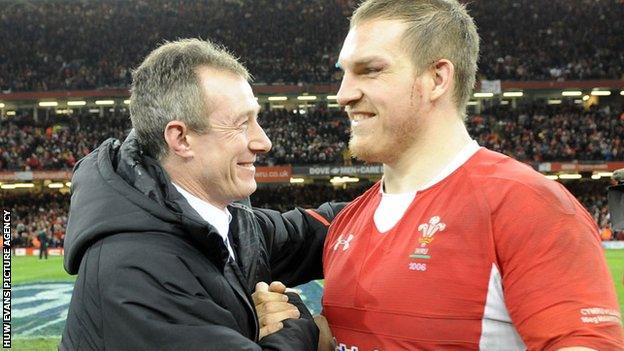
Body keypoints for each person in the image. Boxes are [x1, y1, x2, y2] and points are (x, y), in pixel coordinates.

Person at [256, 0, 624, 349]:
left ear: (437, 78)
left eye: (371, 70)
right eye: (344, 73)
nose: (343, 94)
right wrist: (309, 335)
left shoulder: (525, 205)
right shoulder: (348, 223)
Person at [60, 38, 343, 350]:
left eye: (256, 120)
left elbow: (316, 231)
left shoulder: (227, 223)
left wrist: (399, 198)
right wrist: (299, 324)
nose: (263, 142)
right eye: (241, 124)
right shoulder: (136, 269)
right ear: (181, 139)